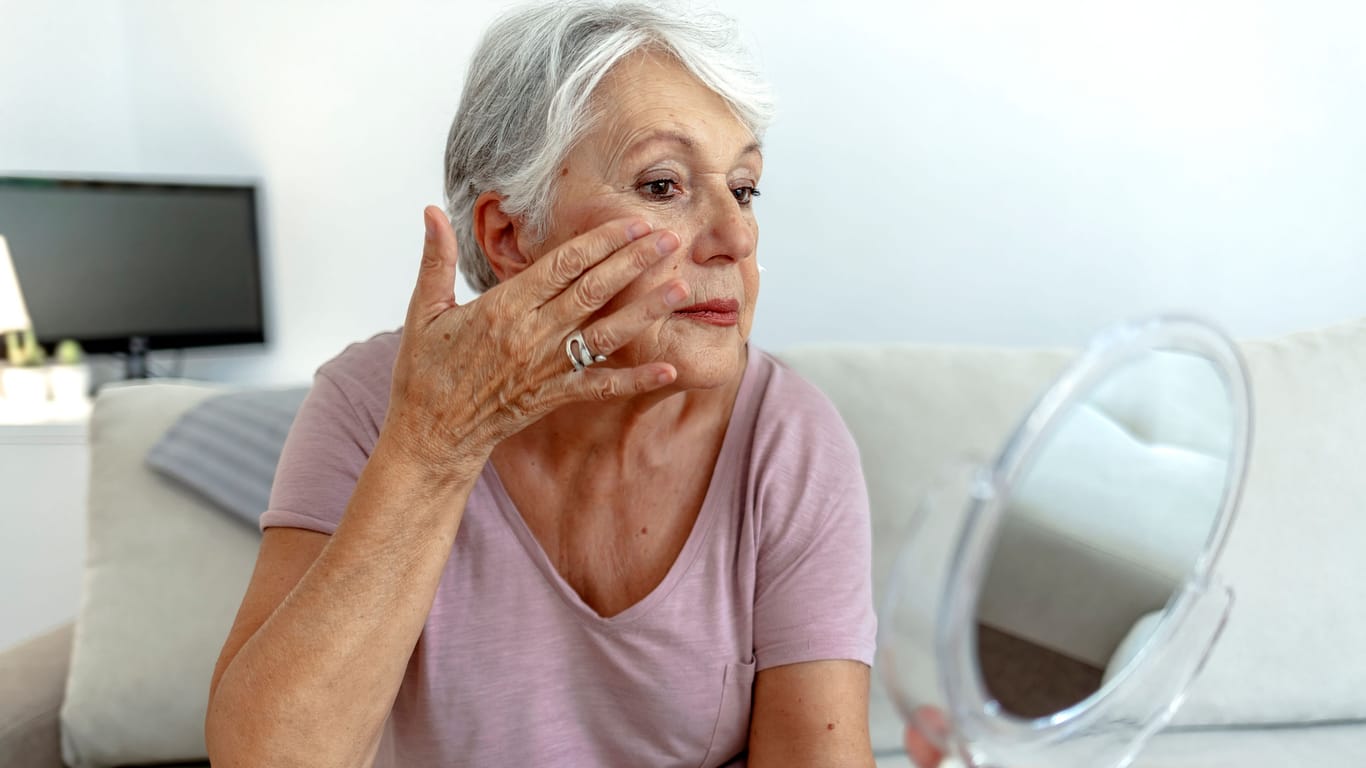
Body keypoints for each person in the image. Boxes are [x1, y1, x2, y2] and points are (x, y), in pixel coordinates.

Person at [204, 2, 877, 766]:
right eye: (663, 185)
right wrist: (436, 445)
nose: (737, 236)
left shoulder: (788, 436)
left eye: (744, 187)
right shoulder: (371, 402)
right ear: (509, 235)